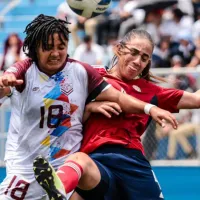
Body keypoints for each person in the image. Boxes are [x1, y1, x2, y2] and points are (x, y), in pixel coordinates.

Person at [0, 15, 177, 200]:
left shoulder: (81, 72)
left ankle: (59, 188)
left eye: (61, 47)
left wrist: (150, 108)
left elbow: (118, 97)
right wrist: (3, 86)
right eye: (48, 47)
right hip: (26, 172)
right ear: (36, 48)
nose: (55, 53)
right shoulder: (24, 72)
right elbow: (6, 82)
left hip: (67, 172)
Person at [32, 29, 200, 200]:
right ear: (119, 49)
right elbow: (65, 118)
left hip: (132, 163)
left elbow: (196, 99)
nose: (137, 61)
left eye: (144, 58)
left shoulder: (150, 91)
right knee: (79, 162)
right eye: (133, 53)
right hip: (96, 162)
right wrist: (89, 108)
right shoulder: (92, 77)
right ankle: (56, 191)